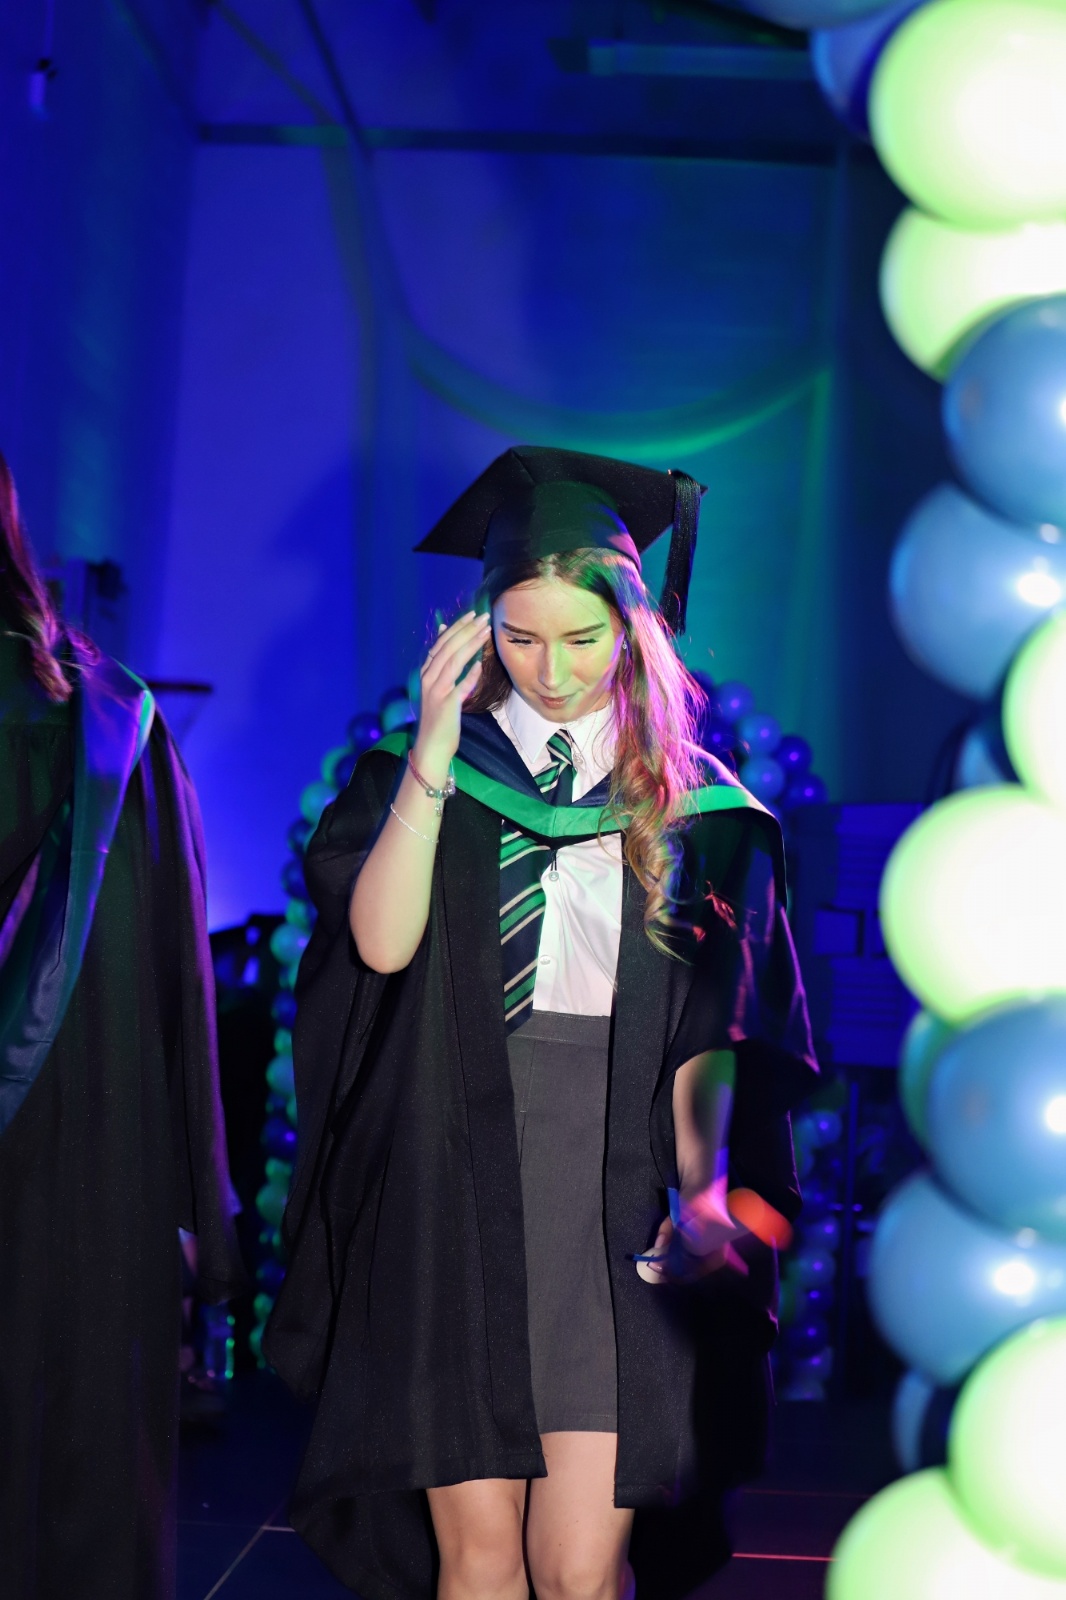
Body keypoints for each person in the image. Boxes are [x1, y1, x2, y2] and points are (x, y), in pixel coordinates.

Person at [266, 447, 818, 1600]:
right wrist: (429, 754)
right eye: (520, 638)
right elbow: (379, 946)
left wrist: (705, 1187)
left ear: (632, 630)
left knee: (577, 1570)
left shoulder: (700, 809)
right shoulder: (422, 773)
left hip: (612, 1190)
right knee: (476, 1561)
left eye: (581, 637)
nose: (553, 670)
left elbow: (708, 1033)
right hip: (449, 1177)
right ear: (478, 630)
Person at [0, 451, 245, 1600]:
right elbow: (179, 986)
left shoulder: (121, 725)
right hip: (93, 1176)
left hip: (76, 1165)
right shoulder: (112, 723)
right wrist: (200, 1205)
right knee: (82, 1491)